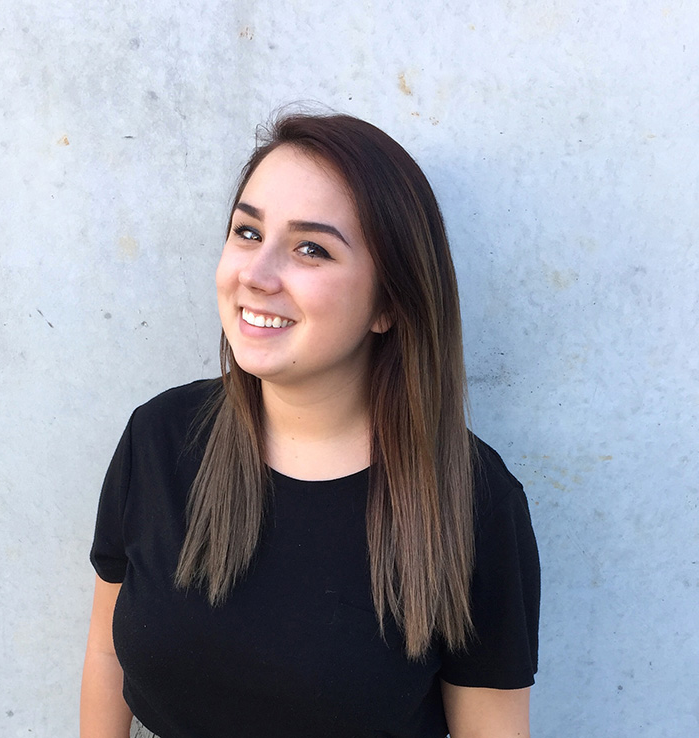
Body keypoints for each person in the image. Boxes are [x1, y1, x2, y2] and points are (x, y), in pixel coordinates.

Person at [80, 112, 540, 738]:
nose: (256, 274)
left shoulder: (471, 500)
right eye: (247, 232)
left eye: (311, 248)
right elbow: (109, 652)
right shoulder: (160, 438)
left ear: (389, 304)